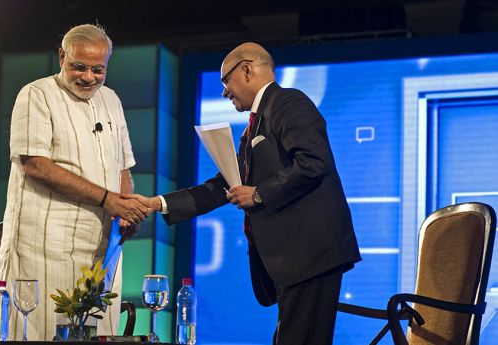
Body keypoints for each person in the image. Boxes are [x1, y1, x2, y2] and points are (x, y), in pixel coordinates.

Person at [136, 42, 361, 344]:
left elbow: (314, 162)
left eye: (225, 81)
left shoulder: (289, 103)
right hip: (294, 262)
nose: (224, 92)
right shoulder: (254, 126)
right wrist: (159, 203)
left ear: (246, 70)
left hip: (311, 256)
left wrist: (258, 194)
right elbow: (223, 185)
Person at [0, 24, 149, 340]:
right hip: (44, 246)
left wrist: (124, 210)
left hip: (101, 250)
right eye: (79, 67)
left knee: (98, 333)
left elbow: (123, 167)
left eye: (98, 69)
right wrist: (109, 199)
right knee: (43, 330)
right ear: (61, 56)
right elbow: (36, 165)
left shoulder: (112, 100)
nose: (88, 77)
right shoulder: (37, 94)